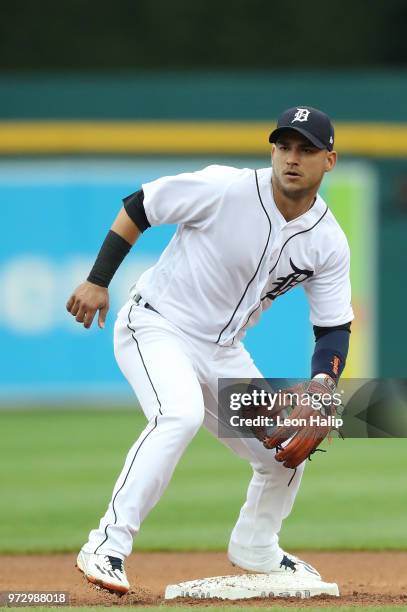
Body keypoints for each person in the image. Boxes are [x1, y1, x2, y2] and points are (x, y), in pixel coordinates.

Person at [66, 106, 353, 595]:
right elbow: (142, 205)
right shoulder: (226, 188)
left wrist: (323, 386)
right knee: (177, 414)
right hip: (156, 324)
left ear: (329, 161)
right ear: (272, 150)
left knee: (286, 446)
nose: (292, 158)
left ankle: (257, 546)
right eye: (284, 146)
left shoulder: (327, 241)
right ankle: (106, 546)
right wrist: (98, 280)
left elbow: (333, 327)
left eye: (306, 149)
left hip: (222, 351)